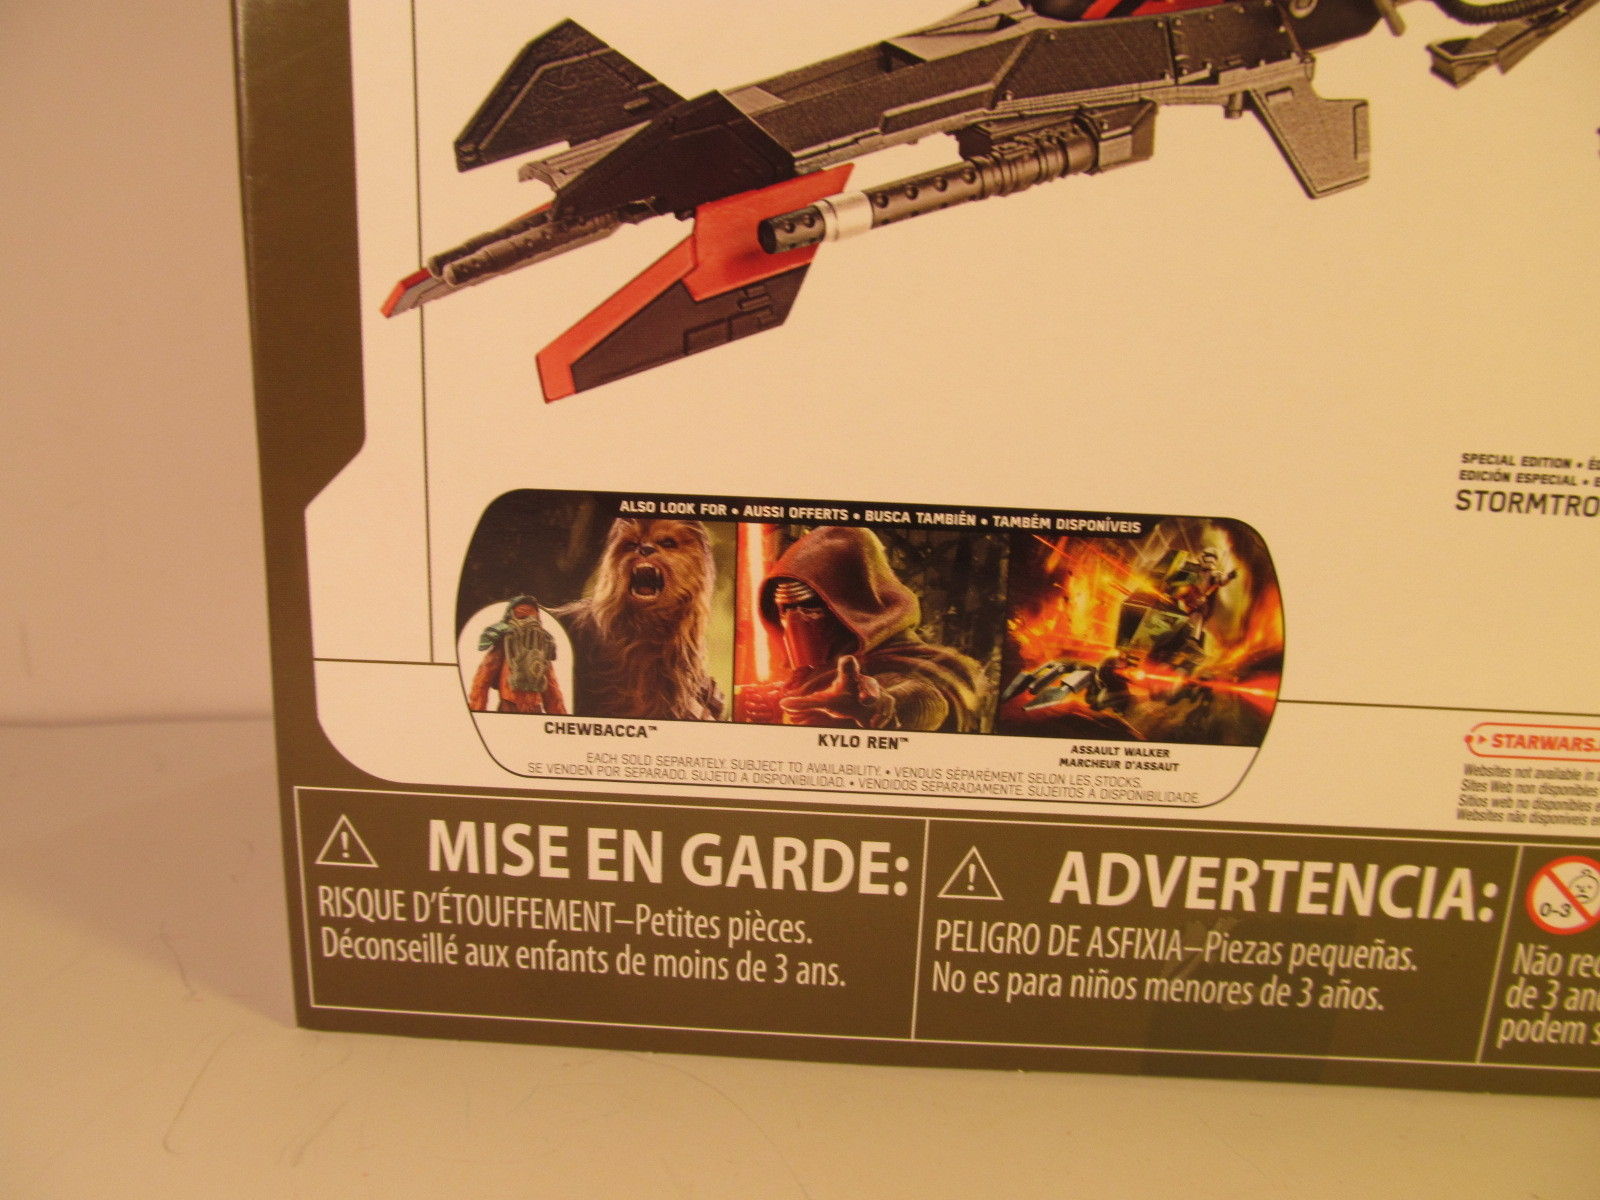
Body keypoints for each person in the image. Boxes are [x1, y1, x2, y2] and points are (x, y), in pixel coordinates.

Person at [739, 526, 985, 731]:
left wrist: (879, 706)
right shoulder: (819, 672)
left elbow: (923, 696)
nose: (795, 622)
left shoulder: (902, 665)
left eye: (810, 606)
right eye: (784, 609)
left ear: (854, 604)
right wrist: (776, 706)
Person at [467, 596, 566, 714]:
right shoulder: (504, 645)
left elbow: (552, 691)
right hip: (509, 706)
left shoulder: (541, 648)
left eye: (532, 617)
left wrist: (559, 716)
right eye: (522, 616)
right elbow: (482, 680)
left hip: (534, 708)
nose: (528, 622)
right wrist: (477, 710)